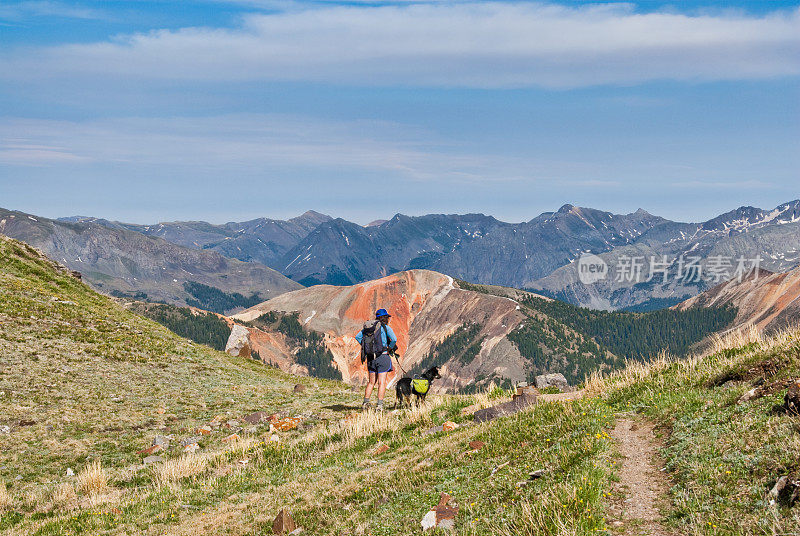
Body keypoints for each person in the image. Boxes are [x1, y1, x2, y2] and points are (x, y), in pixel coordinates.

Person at [355, 308, 397, 411]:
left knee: (371, 382)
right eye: (387, 317)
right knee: (381, 382)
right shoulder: (385, 328)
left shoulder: (369, 328)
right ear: (385, 318)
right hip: (382, 357)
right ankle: (379, 405)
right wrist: (389, 348)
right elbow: (394, 339)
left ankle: (365, 403)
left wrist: (366, 347)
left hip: (370, 358)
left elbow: (358, 337)